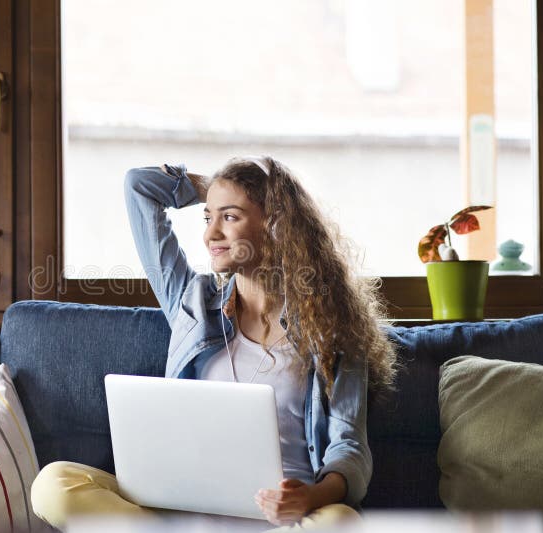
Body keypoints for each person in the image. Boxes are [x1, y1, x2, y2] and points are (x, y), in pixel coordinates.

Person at [31, 155, 399, 531]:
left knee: (340, 521)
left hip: (279, 519)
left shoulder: (333, 328)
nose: (210, 235)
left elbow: (349, 449)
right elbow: (139, 187)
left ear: (275, 225)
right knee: (54, 484)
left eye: (230, 217)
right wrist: (224, 188)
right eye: (208, 218)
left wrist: (309, 497)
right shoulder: (191, 303)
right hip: (182, 510)